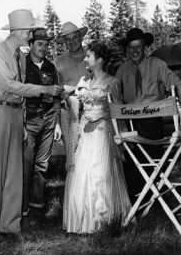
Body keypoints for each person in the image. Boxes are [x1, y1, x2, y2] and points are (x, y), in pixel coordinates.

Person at [0, 9, 63, 248]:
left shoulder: (18, 55)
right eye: (28, 31)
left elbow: (19, 93)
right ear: (17, 31)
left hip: (16, 115)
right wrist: (45, 90)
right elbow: (10, 85)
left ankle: (10, 226)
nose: (30, 35)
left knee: (14, 176)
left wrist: (24, 119)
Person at [63, 42, 131, 234]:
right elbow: (72, 104)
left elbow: (119, 111)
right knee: (80, 172)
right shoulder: (83, 82)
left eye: (88, 56)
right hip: (85, 133)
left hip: (102, 133)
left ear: (99, 59)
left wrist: (102, 114)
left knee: (100, 174)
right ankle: (82, 220)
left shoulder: (112, 82)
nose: (85, 59)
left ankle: (104, 220)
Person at [116, 27, 181, 203]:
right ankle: (138, 200)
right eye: (131, 47)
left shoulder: (157, 65)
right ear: (127, 49)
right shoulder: (122, 70)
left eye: (138, 46)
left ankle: (156, 197)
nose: (135, 50)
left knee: (153, 157)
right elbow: (113, 93)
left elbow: (176, 84)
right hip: (130, 122)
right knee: (131, 162)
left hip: (152, 121)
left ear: (145, 47)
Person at [22, 28, 62, 222]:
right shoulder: (22, 65)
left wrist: (57, 124)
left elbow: (56, 97)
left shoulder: (51, 67)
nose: (44, 48)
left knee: (41, 166)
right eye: (40, 44)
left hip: (48, 119)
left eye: (46, 44)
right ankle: (22, 212)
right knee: (25, 166)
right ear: (30, 45)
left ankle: (37, 209)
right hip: (28, 121)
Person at [54, 22, 90, 171]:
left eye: (74, 37)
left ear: (80, 37)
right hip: (68, 113)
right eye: (67, 39)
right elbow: (56, 93)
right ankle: (74, 192)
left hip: (91, 111)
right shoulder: (58, 62)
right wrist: (56, 123)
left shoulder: (91, 54)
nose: (71, 42)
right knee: (72, 157)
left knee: (92, 154)